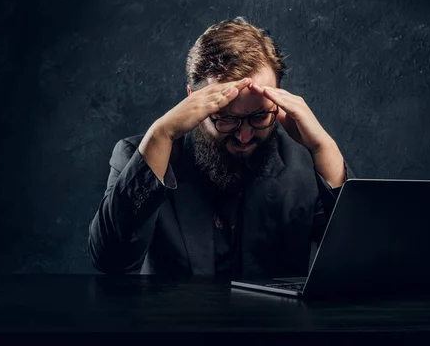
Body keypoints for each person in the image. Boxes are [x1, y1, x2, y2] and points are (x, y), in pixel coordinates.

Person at [88, 16, 355, 279]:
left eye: (259, 116)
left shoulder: (306, 163)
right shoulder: (142, 154)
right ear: (194, 101)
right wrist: (161, 133)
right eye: (226, 118)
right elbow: (112, 261)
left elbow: (354, 264)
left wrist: (324, 148)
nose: (245, 136)